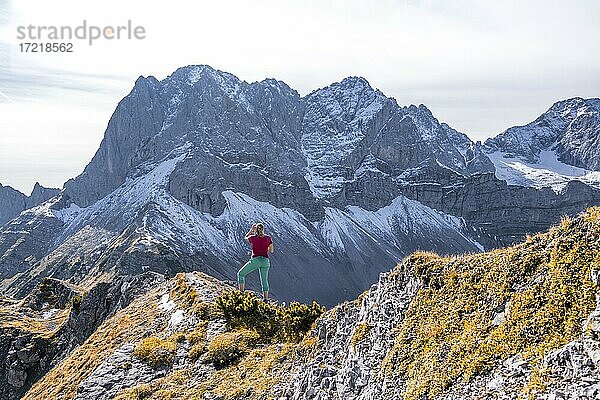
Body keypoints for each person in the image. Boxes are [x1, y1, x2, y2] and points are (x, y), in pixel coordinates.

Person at [237, 223, 274, 300]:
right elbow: (271, 250)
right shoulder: (268, 238)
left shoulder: (252, 238)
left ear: (255, 230)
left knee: (241, 274)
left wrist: (251, 230)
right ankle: (265, 299)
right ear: (263, 229)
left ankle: (241, 293)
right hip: (265, 261)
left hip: (255, 260)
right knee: (264, 280)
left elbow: (245, 237)